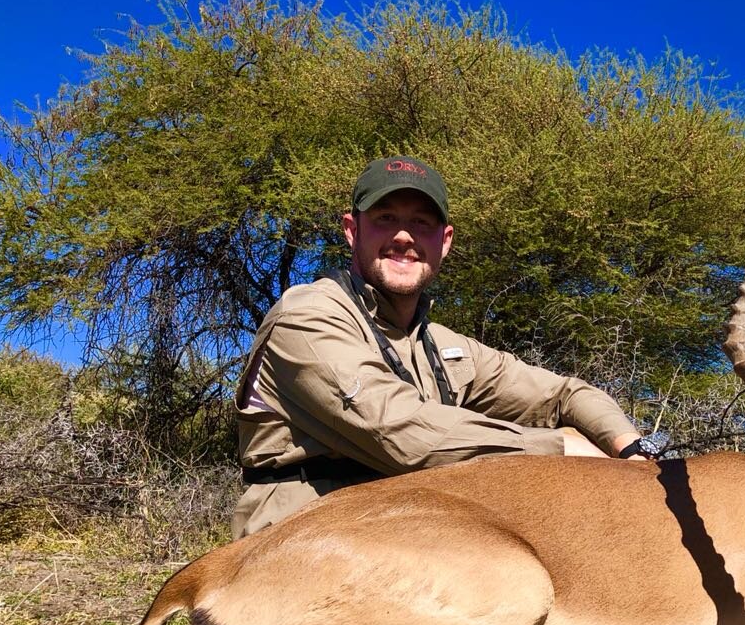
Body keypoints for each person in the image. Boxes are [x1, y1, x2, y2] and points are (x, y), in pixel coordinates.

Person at [231, 155, 649, 539]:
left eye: (422, 223)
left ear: (445, 240)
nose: (403, 236)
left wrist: (630, 450)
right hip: (299, 542)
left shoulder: (444, 345)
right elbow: (396, 430)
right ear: (351, 230)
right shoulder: (307, 315)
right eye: (385, 218)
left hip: (401, 532)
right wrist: (558, 448)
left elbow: (563, 394)